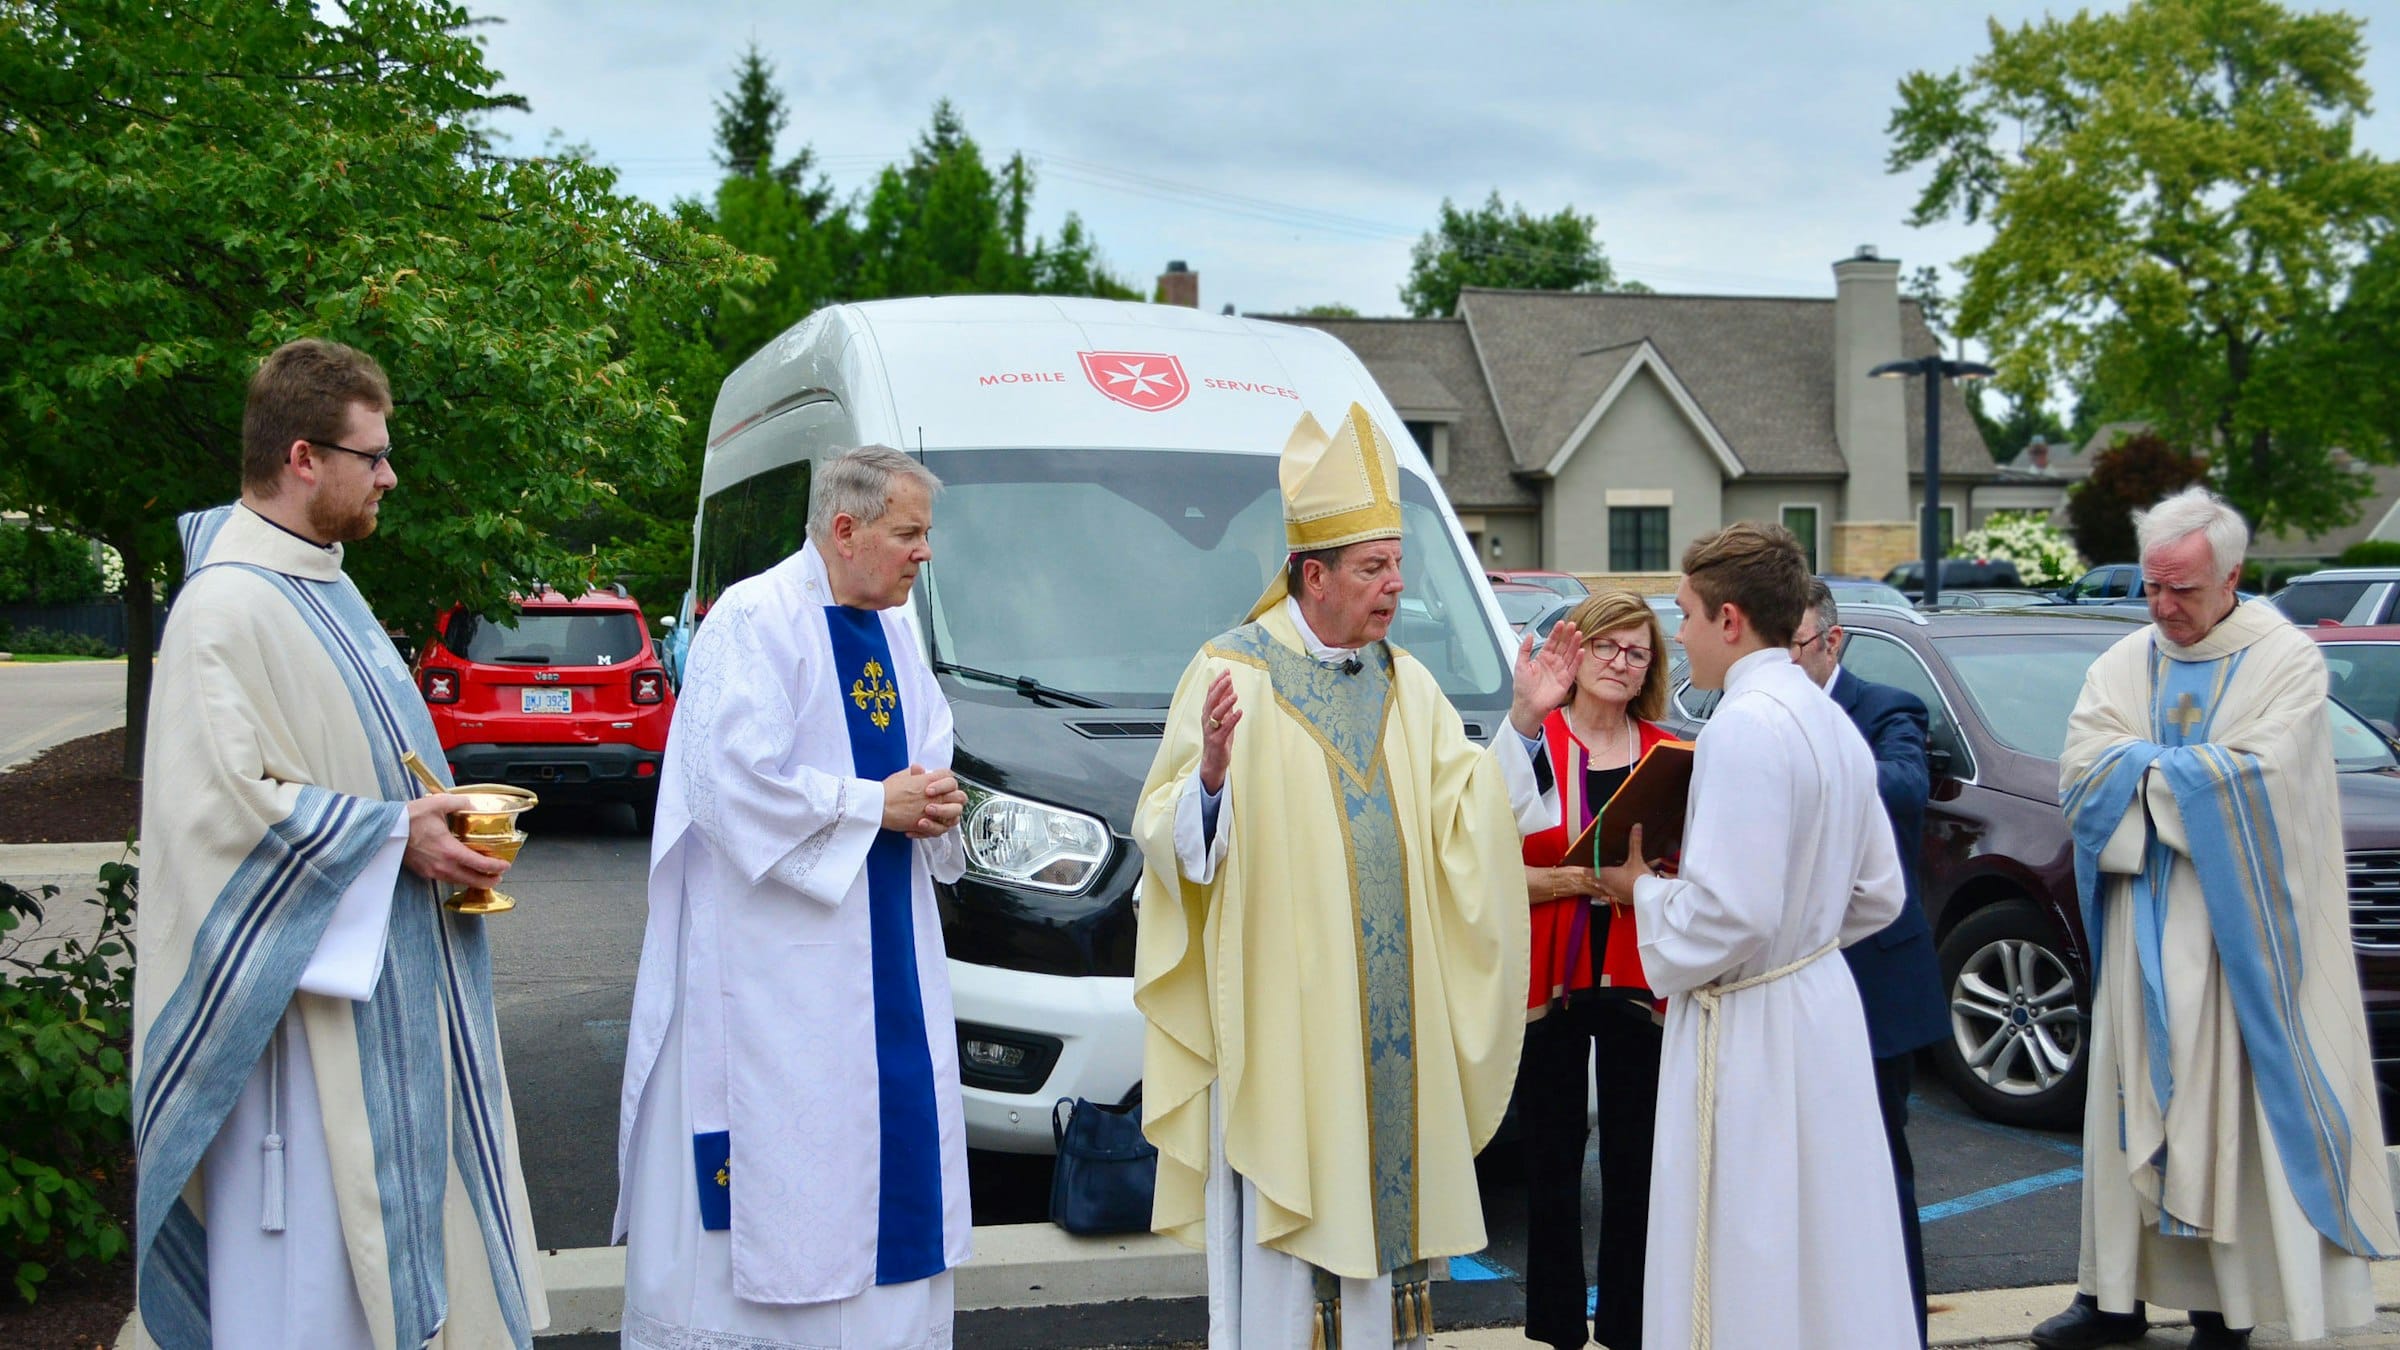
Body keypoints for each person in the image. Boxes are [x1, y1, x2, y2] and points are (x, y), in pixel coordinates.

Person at [131, 338, 548, 1348]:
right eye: (374, 455)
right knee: (313, 1296)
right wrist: (393, 834)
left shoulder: (324, 583)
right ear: (304, 459)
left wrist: (431, 820)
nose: (390, 475)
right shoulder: (225, 605)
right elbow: (217, 813)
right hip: (299, 1040)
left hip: (385, 983)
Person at [1132, 402, 1573, 1348]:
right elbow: (1163, 838)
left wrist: (1527, 724)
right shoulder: (1231, 674)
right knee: (1286, 1276)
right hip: (1285, 1029)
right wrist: (1210, 780)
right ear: (1313, 574)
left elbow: (1467, 819)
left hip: (1387, 1029)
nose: (1396, 587)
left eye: (1398, 566)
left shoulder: (1405, 683)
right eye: (1374, 568)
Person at [613, 446, 971, 1349]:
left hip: (886, 948)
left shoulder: (896, 630)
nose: (924, 553)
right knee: (792, 1163)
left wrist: (935, 802)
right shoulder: (754, 619)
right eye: (909, 533)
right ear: (846, 531)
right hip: (776, 975)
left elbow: (928, 743)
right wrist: (874, 805)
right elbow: (728, 786)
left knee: (882, 1157)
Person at [2037, 486, 2399, 1350]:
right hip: (2140, 927)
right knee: (2126, 1107)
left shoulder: (2285, 661)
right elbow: (2082, 774)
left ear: (2232, 577)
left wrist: (2145, 769)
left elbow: (2264, 780)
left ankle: (2224, 1310)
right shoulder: (2123, 662)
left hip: (2243, 939)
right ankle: (2110, 1297)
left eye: (2184, 590)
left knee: (2227, 1117)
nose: (2163, 606)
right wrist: (2181, 772)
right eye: (2153, 586)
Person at [1595, 521, 1914, 1350]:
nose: (1679, 636)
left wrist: (1642, 893)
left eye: (1687, 614)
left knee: (1752, 1234)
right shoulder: (1828, 718)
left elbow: (1733, 913)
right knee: (1824, 1237)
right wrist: (1803, 941)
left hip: (1751, 1024)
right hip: (1819, 1005)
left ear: (1730, 620)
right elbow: (1879, 892)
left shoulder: (1742, 726)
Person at [1515, 588, 1676, 1350]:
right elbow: (1482, 869)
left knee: (1637, 1162)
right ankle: (1555, 1328)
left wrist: (1654, 883)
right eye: (1607, 645)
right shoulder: (1531, 745)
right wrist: (1577, 881)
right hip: (1548, 977)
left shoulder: (1669, 753)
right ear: (1575, 654)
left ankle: (1629, 1327)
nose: (1620, 662)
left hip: (1640, 978)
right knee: (1550, 1159)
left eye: (1636, 651)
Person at [1790, 578, 1948, 1347]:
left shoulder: (1887, 709)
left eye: (1797, 648)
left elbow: (1905, 790)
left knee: (1881, 1167)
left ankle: (1903, 1329)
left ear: (1833, 641)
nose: (1786, 664)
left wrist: (1808, 764)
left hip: (1873, 981)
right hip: (1789, 980)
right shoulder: (1754, 712)